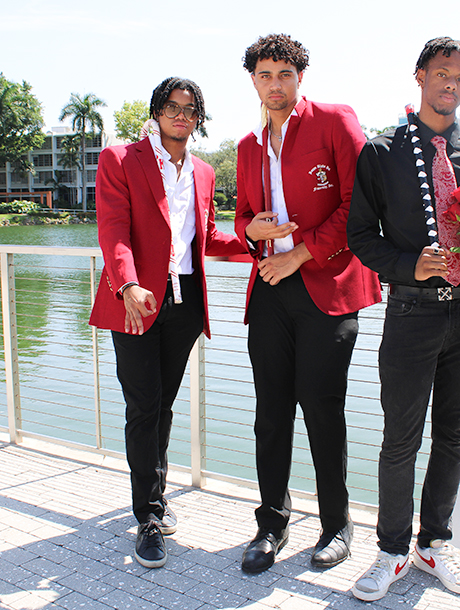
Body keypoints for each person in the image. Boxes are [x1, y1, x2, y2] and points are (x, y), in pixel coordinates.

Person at [347, 37, 460, 600]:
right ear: (419, 76)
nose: (451, 83)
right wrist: (408, 265)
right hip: (411, 316)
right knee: (400, 436)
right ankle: (391, 551)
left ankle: (433, 545)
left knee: (453, 435)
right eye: (441, 72)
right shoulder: (381, 152)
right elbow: (358, 238)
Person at [235, 33, 381, 574]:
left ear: (300, 78)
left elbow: (360, 205)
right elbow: (243, 215)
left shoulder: (335, 122)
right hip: (270, 288)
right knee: (270, 413)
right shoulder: (248, 146)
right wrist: (250, 230)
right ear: (252, 80)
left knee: (322, 409)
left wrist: (302, 253)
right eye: (264, 75)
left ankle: (336, 526)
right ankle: (270, 524)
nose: (274, 85)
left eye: (284, 75)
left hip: (328, 284)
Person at [89, 77, 245, 569]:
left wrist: (262, 245)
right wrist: (128, 284)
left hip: (182, 307)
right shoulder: (121, 159)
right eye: (172, 107)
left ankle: (154, 493)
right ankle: (149, 517)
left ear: (197, 119)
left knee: (164, 406)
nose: (181, 116)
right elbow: (113, 229)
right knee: (143, 407)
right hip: (137, 302)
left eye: (190, 110)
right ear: (156, 113)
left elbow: (207, 237)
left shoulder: (201, 171)